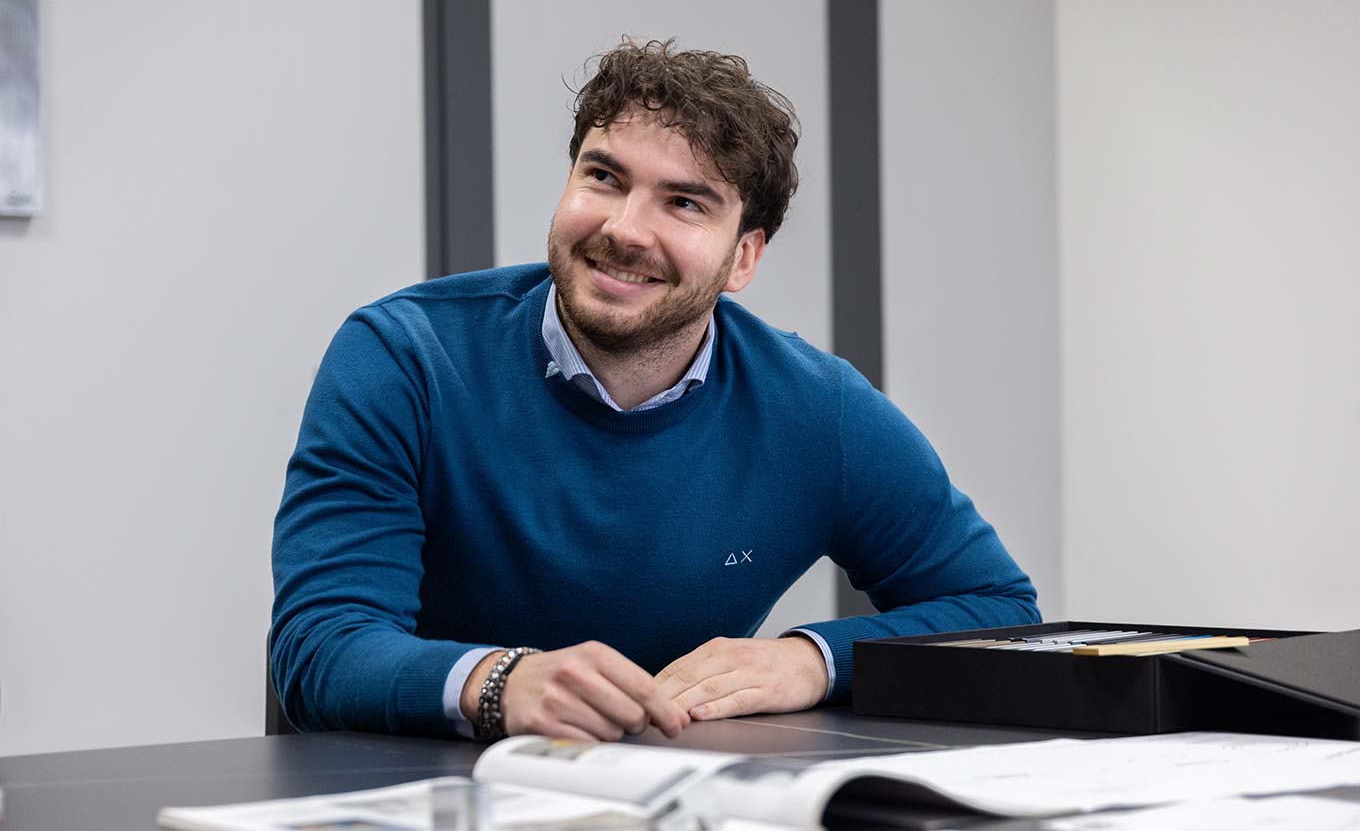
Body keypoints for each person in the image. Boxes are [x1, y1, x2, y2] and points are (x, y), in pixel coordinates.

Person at [270, 38, 1039, 743]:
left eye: (685, 202)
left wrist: (813, 660)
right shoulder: (404, 356)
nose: (626, 229)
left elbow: (1002, 611)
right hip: (420, 796)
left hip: (678, 795)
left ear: (743, 258)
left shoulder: (815, 409)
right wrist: (498, 681)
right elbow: (322, 645)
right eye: (604, 177)